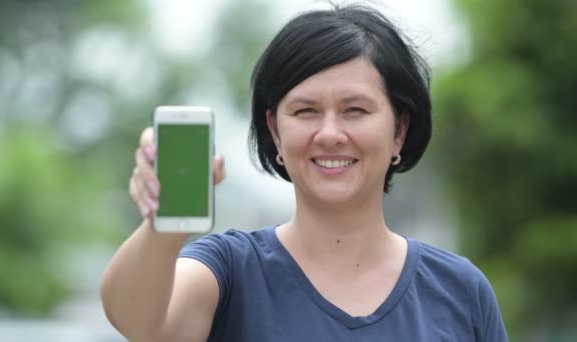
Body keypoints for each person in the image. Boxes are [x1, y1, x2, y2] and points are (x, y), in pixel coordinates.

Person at [100, 4, 508, 342]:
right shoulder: (229, 270)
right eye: (305, 111)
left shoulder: (461, 290)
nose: (330, 134)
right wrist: (163, 224)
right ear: (275, 131)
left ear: (399, 130)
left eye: (355, 110)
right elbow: (140, 323)